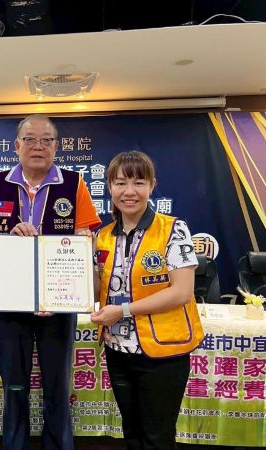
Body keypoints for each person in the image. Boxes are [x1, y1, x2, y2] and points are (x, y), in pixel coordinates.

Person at [0, 114, 101, 450]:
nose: (38, 146)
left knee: (57, 385)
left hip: (59, 305)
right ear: (17, 146)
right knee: (14, 386)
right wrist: (5, 237)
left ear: (57, 146)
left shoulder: (74, 184)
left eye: (46, 140)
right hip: (11, 305)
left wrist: (59, 295)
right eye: (30, 139)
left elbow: (86, 241)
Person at [91, 150, 204, 450]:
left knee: (157, 437)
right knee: (132, 433)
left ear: (152, 186)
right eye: (120, 183)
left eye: (138, 182)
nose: (129, 191)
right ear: (109, 187)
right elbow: (95, 289)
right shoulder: (102, 236)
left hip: (163, 352)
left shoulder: (173, 229)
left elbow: (181, 292)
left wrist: (123, 310)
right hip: (118, 349)